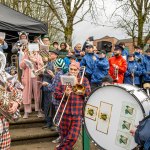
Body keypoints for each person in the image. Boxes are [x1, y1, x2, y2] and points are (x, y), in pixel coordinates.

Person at [54, 62, 91, 150]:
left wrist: (77, 84)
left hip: (77, 113)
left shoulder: (84, 80)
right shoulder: (63, 79)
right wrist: (65, 94)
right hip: (64, 112)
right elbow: (55, 94)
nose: (73, 71)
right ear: (69, 69)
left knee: (73, 137)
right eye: (71, 69)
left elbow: (88, 93)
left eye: (75, 70)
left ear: (78, 71)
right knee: (64, 137)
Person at [20, 47, 44, 119]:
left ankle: (39, 110)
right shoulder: (25, 55)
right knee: (26, 94)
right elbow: (21, 66)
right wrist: (26, 59)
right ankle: (26, 111)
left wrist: (35, 61)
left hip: (36, 77)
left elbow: (42, 65)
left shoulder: (39, 56)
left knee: (37, 94)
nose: (32, 50)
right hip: (27, 77)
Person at [41, 49, 59, 128]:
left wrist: (50, 75)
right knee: (45, 105)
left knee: (49, 106)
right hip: (45, 86)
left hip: (50, 87)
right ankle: (48, 121)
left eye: (52, 54)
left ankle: (51, 123)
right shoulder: (48, 63)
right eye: (50, 54)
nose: (50, 55)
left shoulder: (56, 64)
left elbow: (57, 76)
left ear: (56, 55)